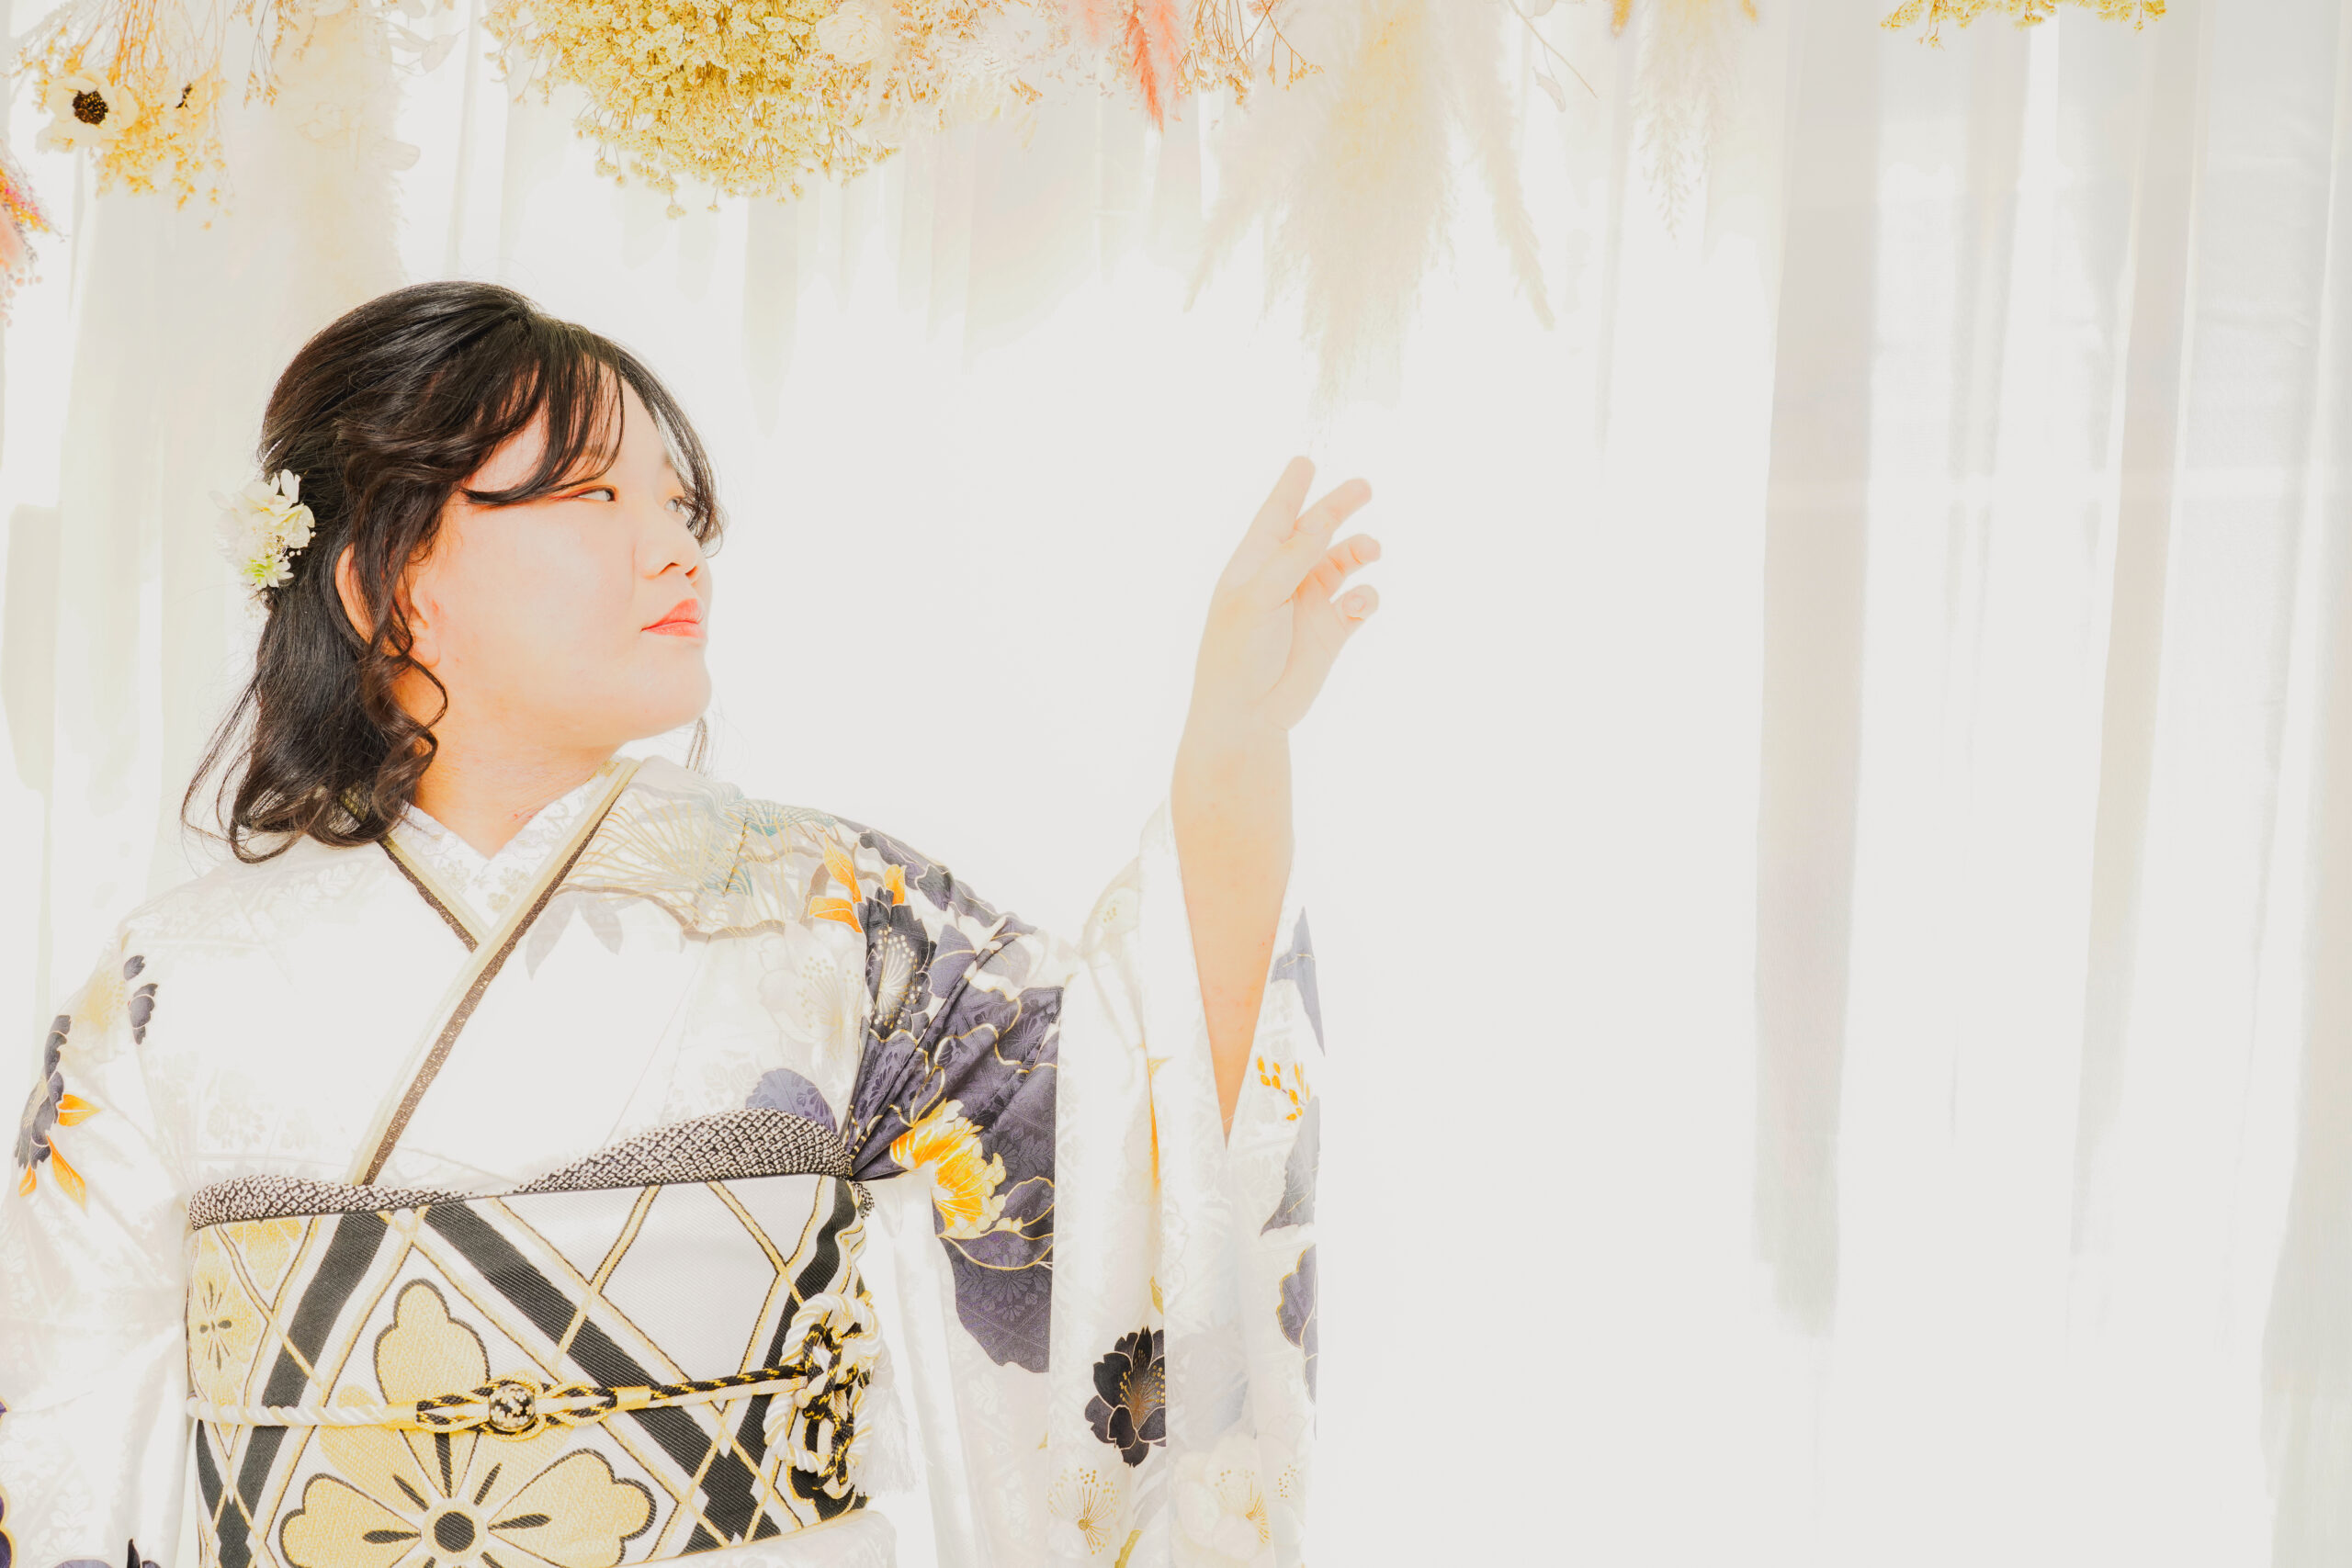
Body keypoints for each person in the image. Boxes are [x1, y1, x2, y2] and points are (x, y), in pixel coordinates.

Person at [0, 280, 1376, 1568]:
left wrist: (1228, 766)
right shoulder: (171, 983)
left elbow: (1134, 1117)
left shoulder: (828, 908)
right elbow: (63, 1426)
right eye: (594, 493)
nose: (678, 549)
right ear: (384, 579)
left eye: (678, 503)